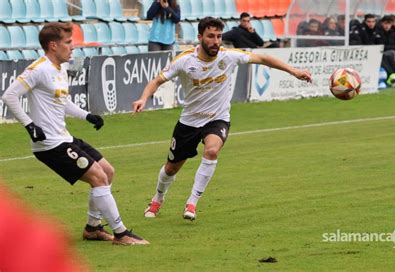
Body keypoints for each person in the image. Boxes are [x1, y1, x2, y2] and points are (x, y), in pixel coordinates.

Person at [132, 17, 311, 221]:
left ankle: (192, 202)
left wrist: (294, 71)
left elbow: (263, 59)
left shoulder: (229, 57)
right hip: (189, 121)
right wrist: (143, 98)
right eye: (210, 36)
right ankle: (157, 199)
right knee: (171, 168)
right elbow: (157, 80)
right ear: (200, 37)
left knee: (212, 150)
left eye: (218, 36)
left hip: (217, 119)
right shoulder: (185, 60)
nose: (216, 41)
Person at [1, 22, 148, 245]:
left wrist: (87, 115)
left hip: (64, 137)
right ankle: (121, 233)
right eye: (68, 42)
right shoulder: (38, 69)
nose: (73, 47)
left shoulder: (59, 68)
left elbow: (63, 102)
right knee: (98, 177)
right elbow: (9, 95)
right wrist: (30, 125)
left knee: (107, 171)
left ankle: (93, 228)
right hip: (49, 144)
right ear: (53, 45)